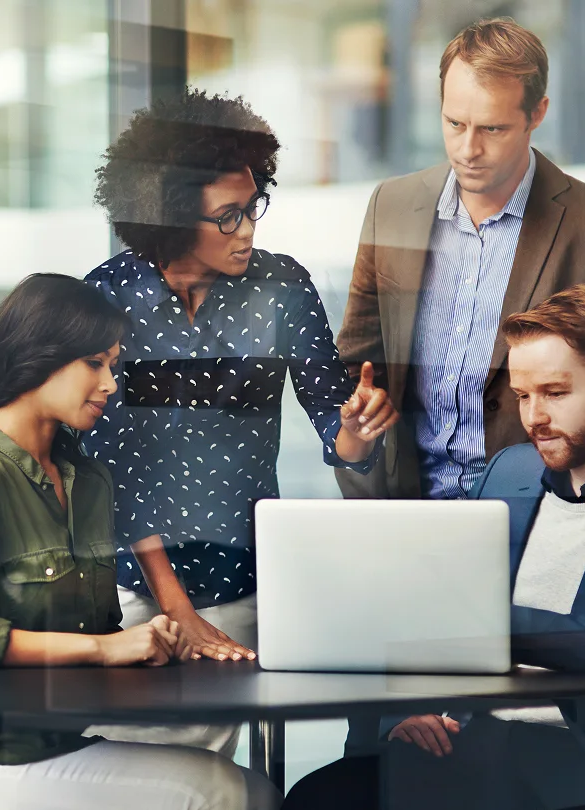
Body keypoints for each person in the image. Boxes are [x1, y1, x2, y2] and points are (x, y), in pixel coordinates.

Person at [285, 286, 585, 810]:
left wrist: (497, 628)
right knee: (317, 798)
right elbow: (432, 606)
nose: (534, 417)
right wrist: (407, 711)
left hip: (584, 761)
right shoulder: (509, 470)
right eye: (524, 395)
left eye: (554, 392)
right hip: (467, 738)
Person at [0, 274, 280, 810]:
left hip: (69, 741)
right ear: (40, 358)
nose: (110, 384)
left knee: (253, 790)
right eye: (94, 364)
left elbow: (97, 629)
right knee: (225, 793)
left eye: (113, 365)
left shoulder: (89, 482)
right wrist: (105, 648)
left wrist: (148, 643)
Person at [83, 88, 397, 669]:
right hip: (132, 592)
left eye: (254, 206)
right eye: (228, 216)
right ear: (171, 217)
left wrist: (357, 428)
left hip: (245, 585)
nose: (247, 229)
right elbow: (108, 471)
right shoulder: (108, 297)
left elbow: (336, 424)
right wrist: (177, 610)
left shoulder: (282, 289)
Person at [333, 17, 585, 504]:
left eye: (493, 128)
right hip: (407, 509)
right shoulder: (392, 207)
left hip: (541, 513)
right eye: (454, 123)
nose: (469, 149)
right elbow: (357, 365)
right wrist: (355, 434)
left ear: (537, 113)